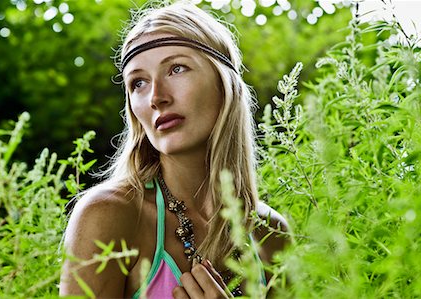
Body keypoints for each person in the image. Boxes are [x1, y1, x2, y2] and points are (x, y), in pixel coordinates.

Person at [59, 1, 289, 298]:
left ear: (224, 84)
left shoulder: (272, 233)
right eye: (138, 83)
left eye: (176, 69)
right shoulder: (109, 215)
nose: (156, 97)